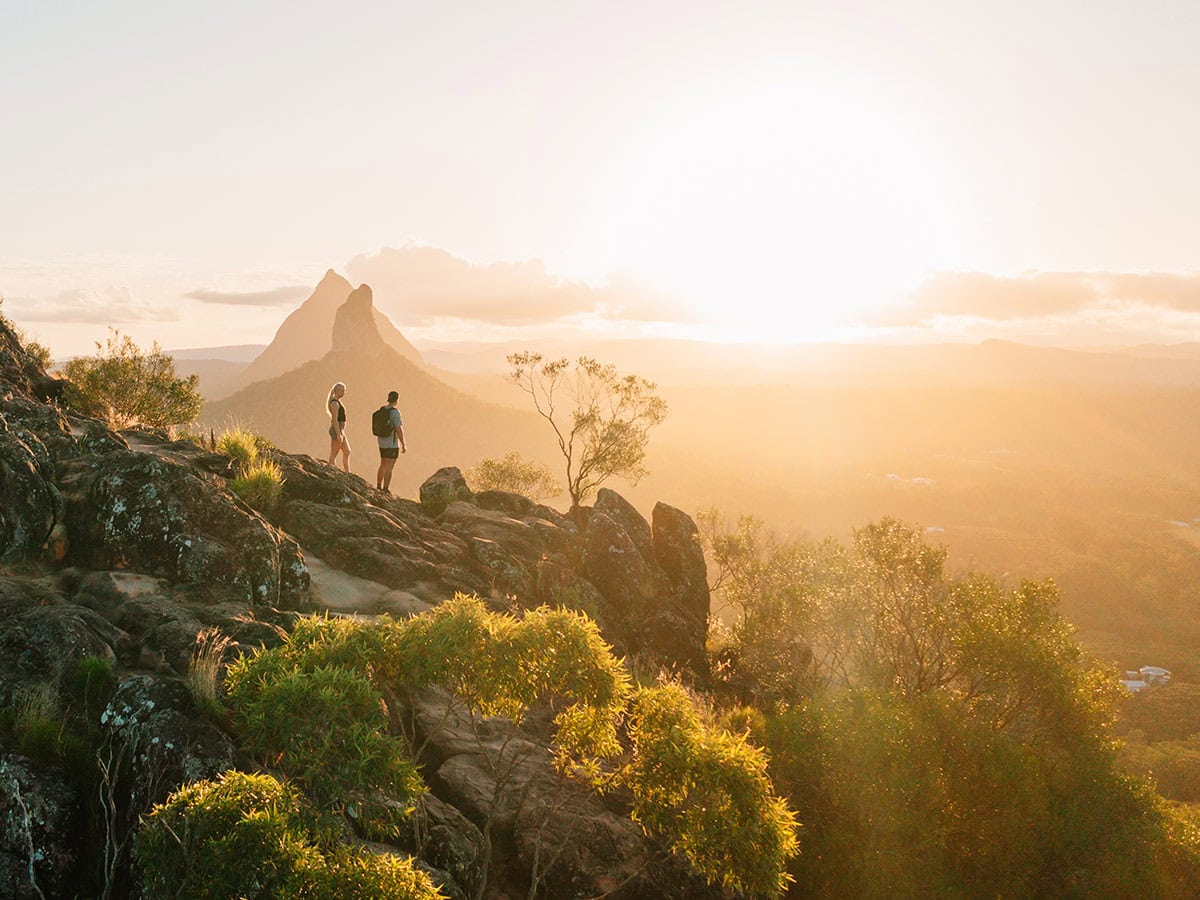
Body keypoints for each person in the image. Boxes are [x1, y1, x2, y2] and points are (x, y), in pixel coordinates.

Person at [375, 389, 407, 492]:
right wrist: (403, 444)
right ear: (396, 400)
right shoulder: (395, 413)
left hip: (381, 441)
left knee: (383, 463)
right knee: (390, 466)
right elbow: (398, 429)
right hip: (391, 444)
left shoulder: (382, 410)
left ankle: (378, 486)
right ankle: (386, 488)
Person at [326, 382, 350, 472]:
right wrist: (338, 434)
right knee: (334, 453)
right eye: (342, 390)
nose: (344, 392)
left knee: (347, 451)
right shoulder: (334, 403)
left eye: (344, 390)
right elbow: (335, 420)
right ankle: (331, 470)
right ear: (336, 391)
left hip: (340, 430)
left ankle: (347, 472)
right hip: (337, 430)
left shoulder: (337, 402)